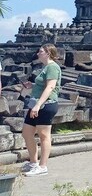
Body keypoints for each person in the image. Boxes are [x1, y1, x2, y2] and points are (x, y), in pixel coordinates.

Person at [22, 44, 63, 177]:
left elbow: (50, 87)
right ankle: (33, 162)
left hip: (46, 105)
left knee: (44, 135)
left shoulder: (52, 67)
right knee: (27, 132)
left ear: (48, 53)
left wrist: (38, 105)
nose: (38, 53)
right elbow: (43, 85)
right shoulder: (45, 67)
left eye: (40, 51)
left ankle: (42, 166)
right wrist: (32, 86)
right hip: (37, 103)